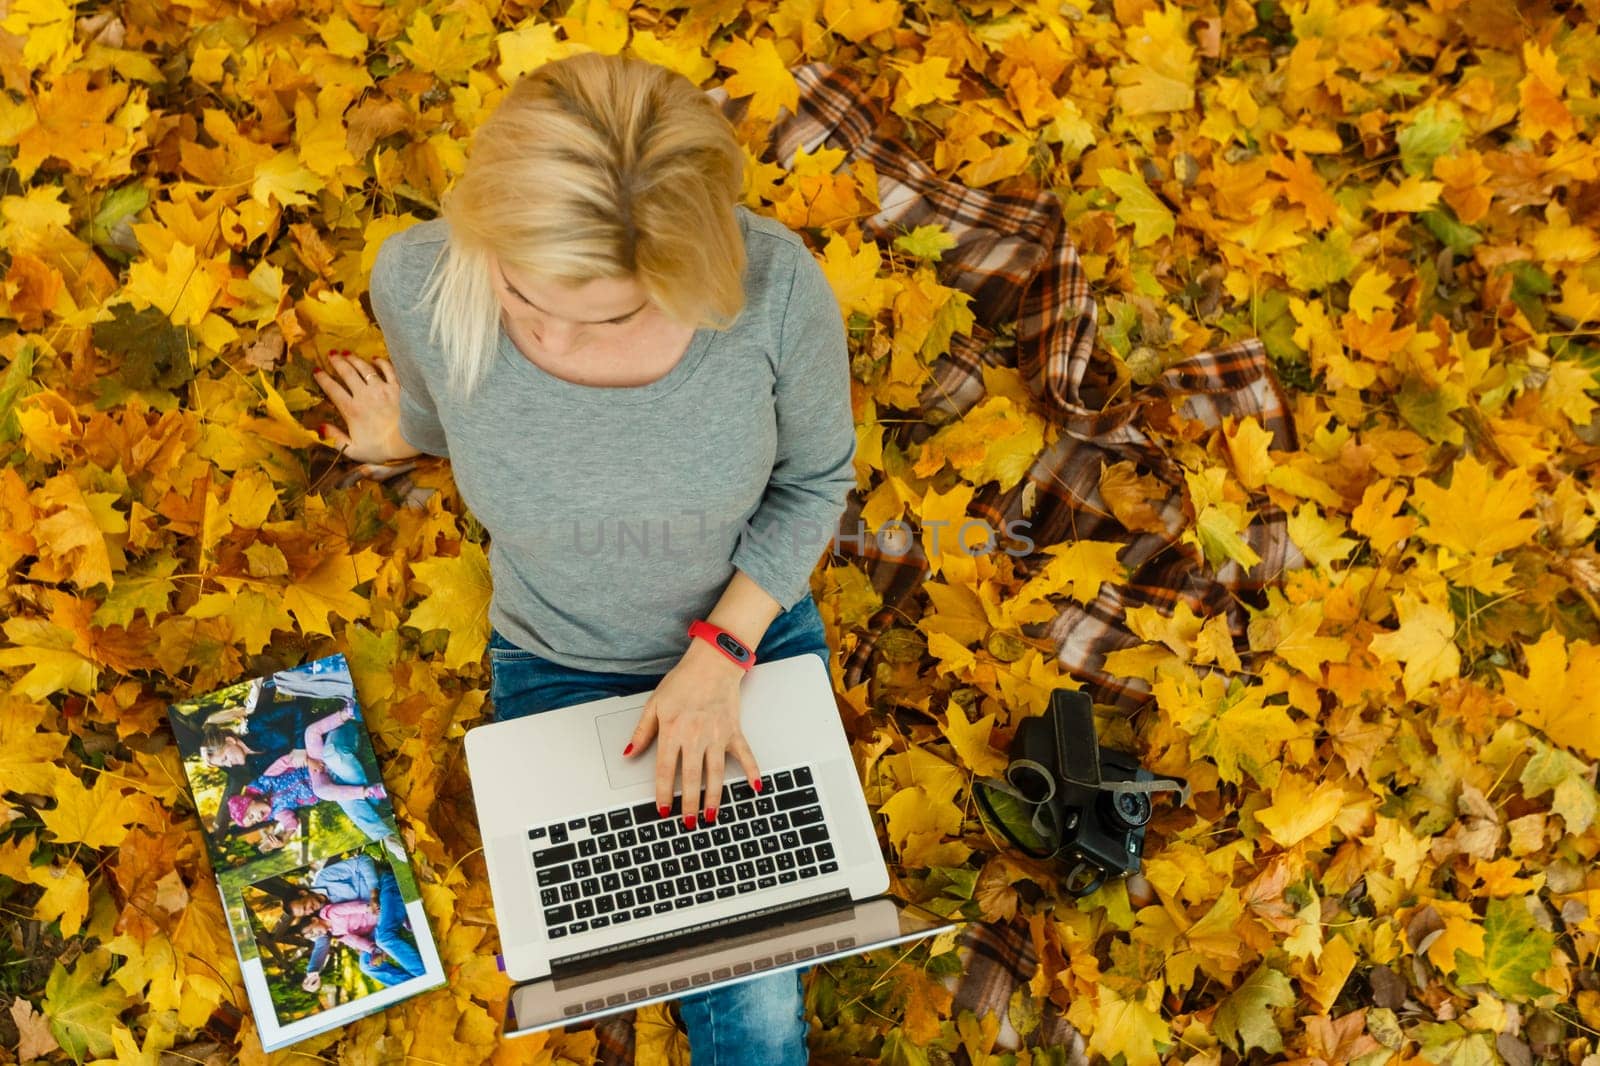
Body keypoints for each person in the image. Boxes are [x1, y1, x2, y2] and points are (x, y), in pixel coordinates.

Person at [315, 51, 854, 1063]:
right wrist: (407, 432)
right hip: (557, 658)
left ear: (685, 275)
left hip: (749, 635)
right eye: (522, 299)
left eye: (607, 315)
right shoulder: (424, 278)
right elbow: (443, 407)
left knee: (761, 1004)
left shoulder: (772, 297)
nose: (551, 340)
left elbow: (815, 482)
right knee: (610, 906)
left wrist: (720, 656)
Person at [226, 706, 393, 849]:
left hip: (315, 762)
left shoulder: (266, 779)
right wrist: (285, 837)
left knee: (310, 732)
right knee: (322, 792)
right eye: (254, 822)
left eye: (251, 815)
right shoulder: (277, 812)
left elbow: (285, 761)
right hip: (321, 782)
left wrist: (308, 760)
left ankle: (347, 711)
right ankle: (368, 793)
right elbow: (291, 823)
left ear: (249, 802)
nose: (257, 819)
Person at [291, 854, 423, 989]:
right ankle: (412, 986)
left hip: (384, 890)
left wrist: (370, 902)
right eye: (305, 912)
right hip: (377, 918)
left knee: (384, 938)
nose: (309, 911)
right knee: (366, 966)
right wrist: (373, 950)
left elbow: (349, 908)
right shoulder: (334, 932)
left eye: (305, 907)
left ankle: (424, 975)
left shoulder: (328, 907)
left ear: (303, 894)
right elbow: (352, 941)